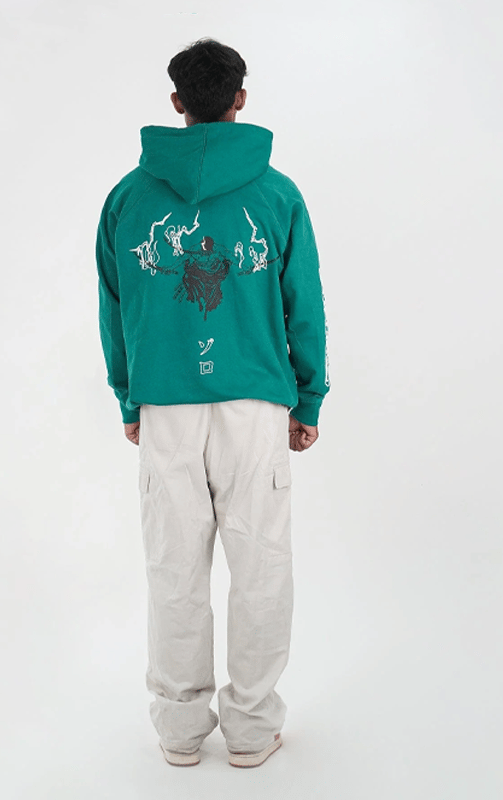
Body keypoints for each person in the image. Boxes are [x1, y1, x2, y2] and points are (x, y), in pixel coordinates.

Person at [95, 37, 330, 768]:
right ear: (240, 99)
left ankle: (179, 731)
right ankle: (252, 730)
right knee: (261, 566)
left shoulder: (128, 199)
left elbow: (114, 308)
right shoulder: (277, 194)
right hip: (255, 404)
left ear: (177, 103)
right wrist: (308, 398)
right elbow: (304, 304)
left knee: (173, 568)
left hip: (166, 404)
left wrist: (130, 399)